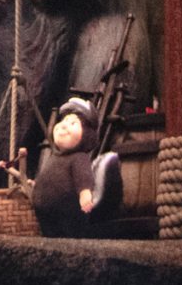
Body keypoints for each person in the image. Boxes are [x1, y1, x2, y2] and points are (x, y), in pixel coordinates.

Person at [29, 95, 118, 237]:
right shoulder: (55, 156)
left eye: (73, 123)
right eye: (64, 121)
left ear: (86, 134)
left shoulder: (79, 158)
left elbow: (84, 177)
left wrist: (84, 193)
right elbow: (48, 175)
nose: (64, 125)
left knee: (68, 233)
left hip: (67, 211)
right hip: (45, 213)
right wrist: (37, 185)